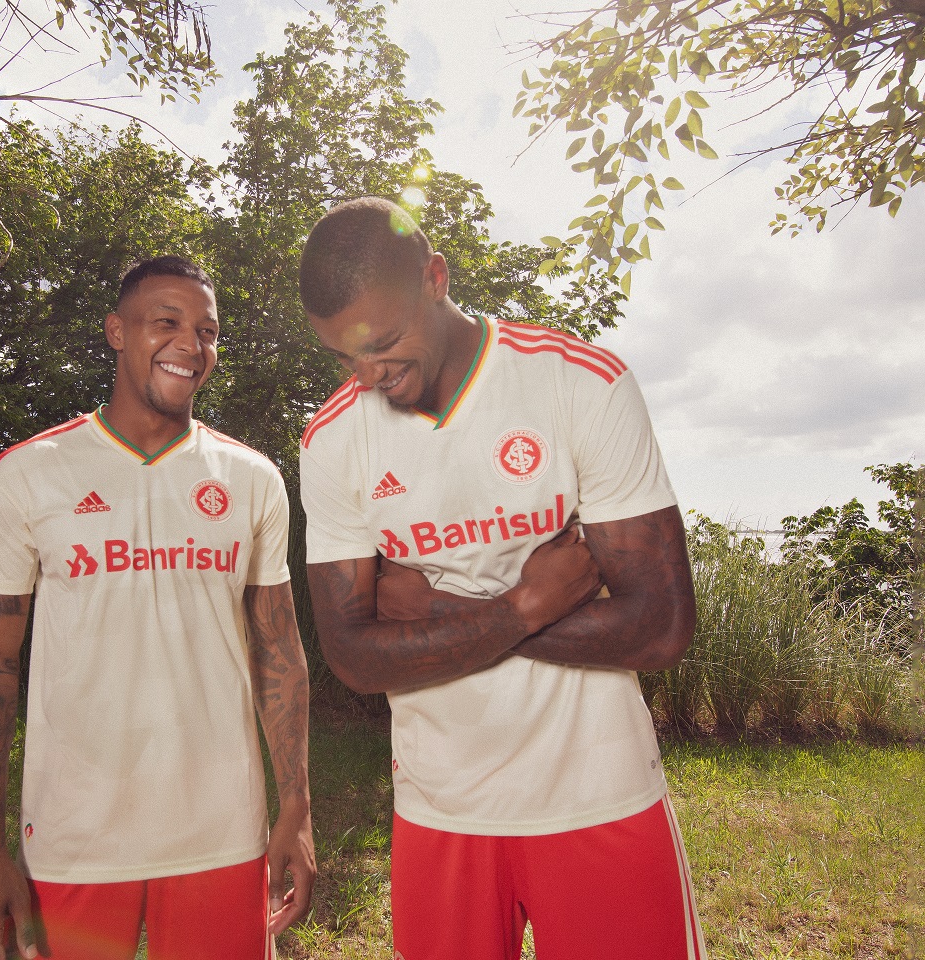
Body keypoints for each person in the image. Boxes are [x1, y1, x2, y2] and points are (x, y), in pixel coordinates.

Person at [297, 198, 705, 960]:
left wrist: (445, 611)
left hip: (601, 794)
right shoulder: (331, 441)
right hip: (440, 809)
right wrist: (522, 605)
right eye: (342, 356)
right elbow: (353, 657)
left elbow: (659, 625)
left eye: (383, 344)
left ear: (435, 278)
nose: (366, 376)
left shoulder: (579, 383)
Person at [0, 256, 315, 960]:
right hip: (74, 834)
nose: (191, 345)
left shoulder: (252, 478)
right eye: (167, 323)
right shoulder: (27, 473)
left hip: (222, 831)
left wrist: (296, 806)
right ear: (117, 332)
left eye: (208, 331)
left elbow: (279, 649)